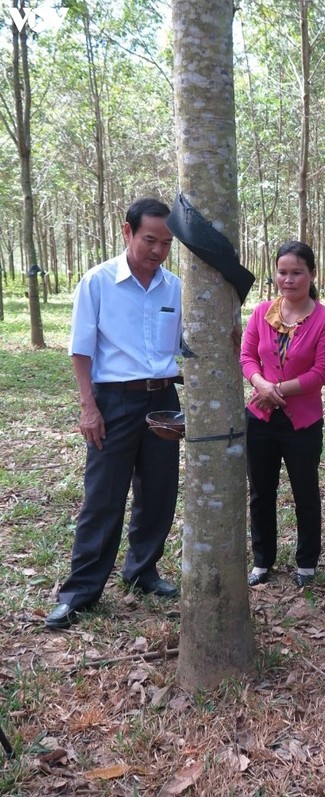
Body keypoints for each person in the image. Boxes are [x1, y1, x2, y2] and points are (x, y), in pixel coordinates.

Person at [46, 198, 182, 630]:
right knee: (103, 496)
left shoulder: (174, 287)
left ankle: (143, 571)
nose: (157, 250)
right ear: (127, 231)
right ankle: (81, 591)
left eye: (166, 243)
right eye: (149, 240)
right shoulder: (98, 282)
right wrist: (89, 408)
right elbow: (81, 350)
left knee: (159, 493)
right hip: (114, 400)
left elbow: (183, 343)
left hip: (163, 400)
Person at [240, 241, 325, 588]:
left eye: (297, 272)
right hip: (260, 418)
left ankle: (307, 562)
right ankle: (262, 560)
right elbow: (247, 357)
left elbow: (322, 372)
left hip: (302, 422)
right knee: (260, 492)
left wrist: (277, 391)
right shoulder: (261, 312)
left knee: (305, 491)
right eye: (282, 272)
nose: (288, 279)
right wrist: (260, 384)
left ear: (311, 274)